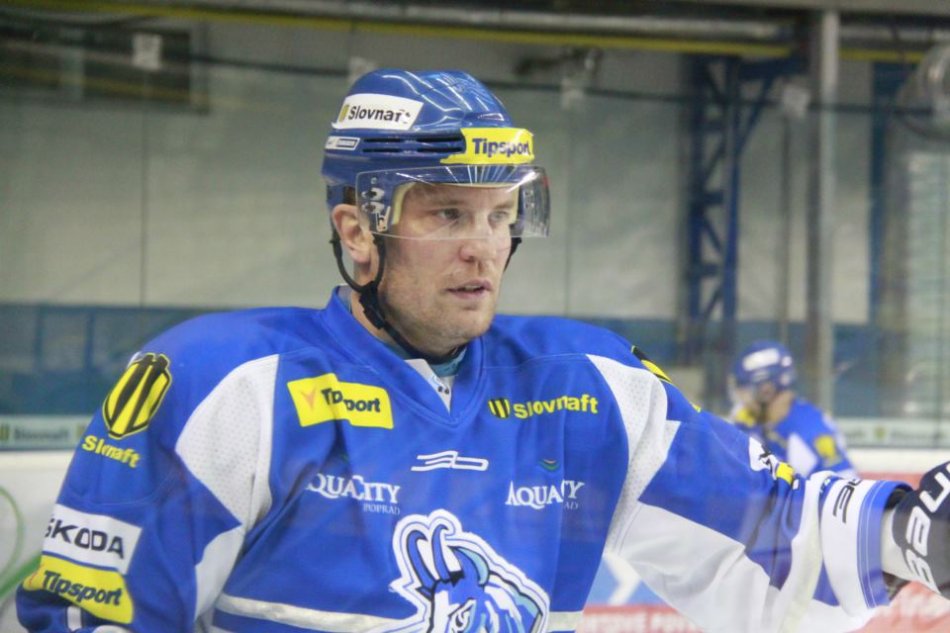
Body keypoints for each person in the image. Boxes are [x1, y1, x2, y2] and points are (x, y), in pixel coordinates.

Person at [16, 68, 950, 633]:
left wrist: (915, 531)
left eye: (501, 215)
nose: (484, 248)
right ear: (357, 230)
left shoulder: (586, 391)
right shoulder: (227, 388)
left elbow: (768, 535)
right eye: (447, 214)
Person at [728, 339, 857, 479]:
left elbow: (846, 486)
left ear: (766, 390)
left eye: (745, 390)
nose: (742, 399)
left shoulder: (809, 434)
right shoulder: (749, 418)